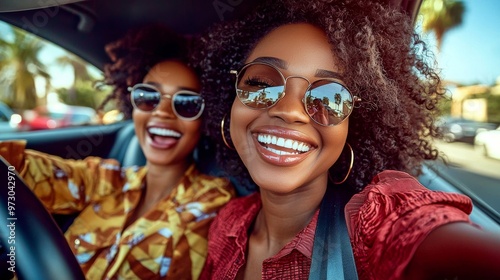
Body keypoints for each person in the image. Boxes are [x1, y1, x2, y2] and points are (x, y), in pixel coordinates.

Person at [193, 0, 500, 279]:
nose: (289, 112)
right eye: (260, 83)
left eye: (329, 97)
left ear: (355, 126)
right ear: (230, 100)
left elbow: (426, 232)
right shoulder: (226, 224)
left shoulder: (371, 226)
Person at [0, 24, 234, 279]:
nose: (162, 113)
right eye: (148, 96)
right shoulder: (105, 179)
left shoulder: (213, 202)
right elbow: (18, 169)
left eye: (186, 103)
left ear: (206, 117)